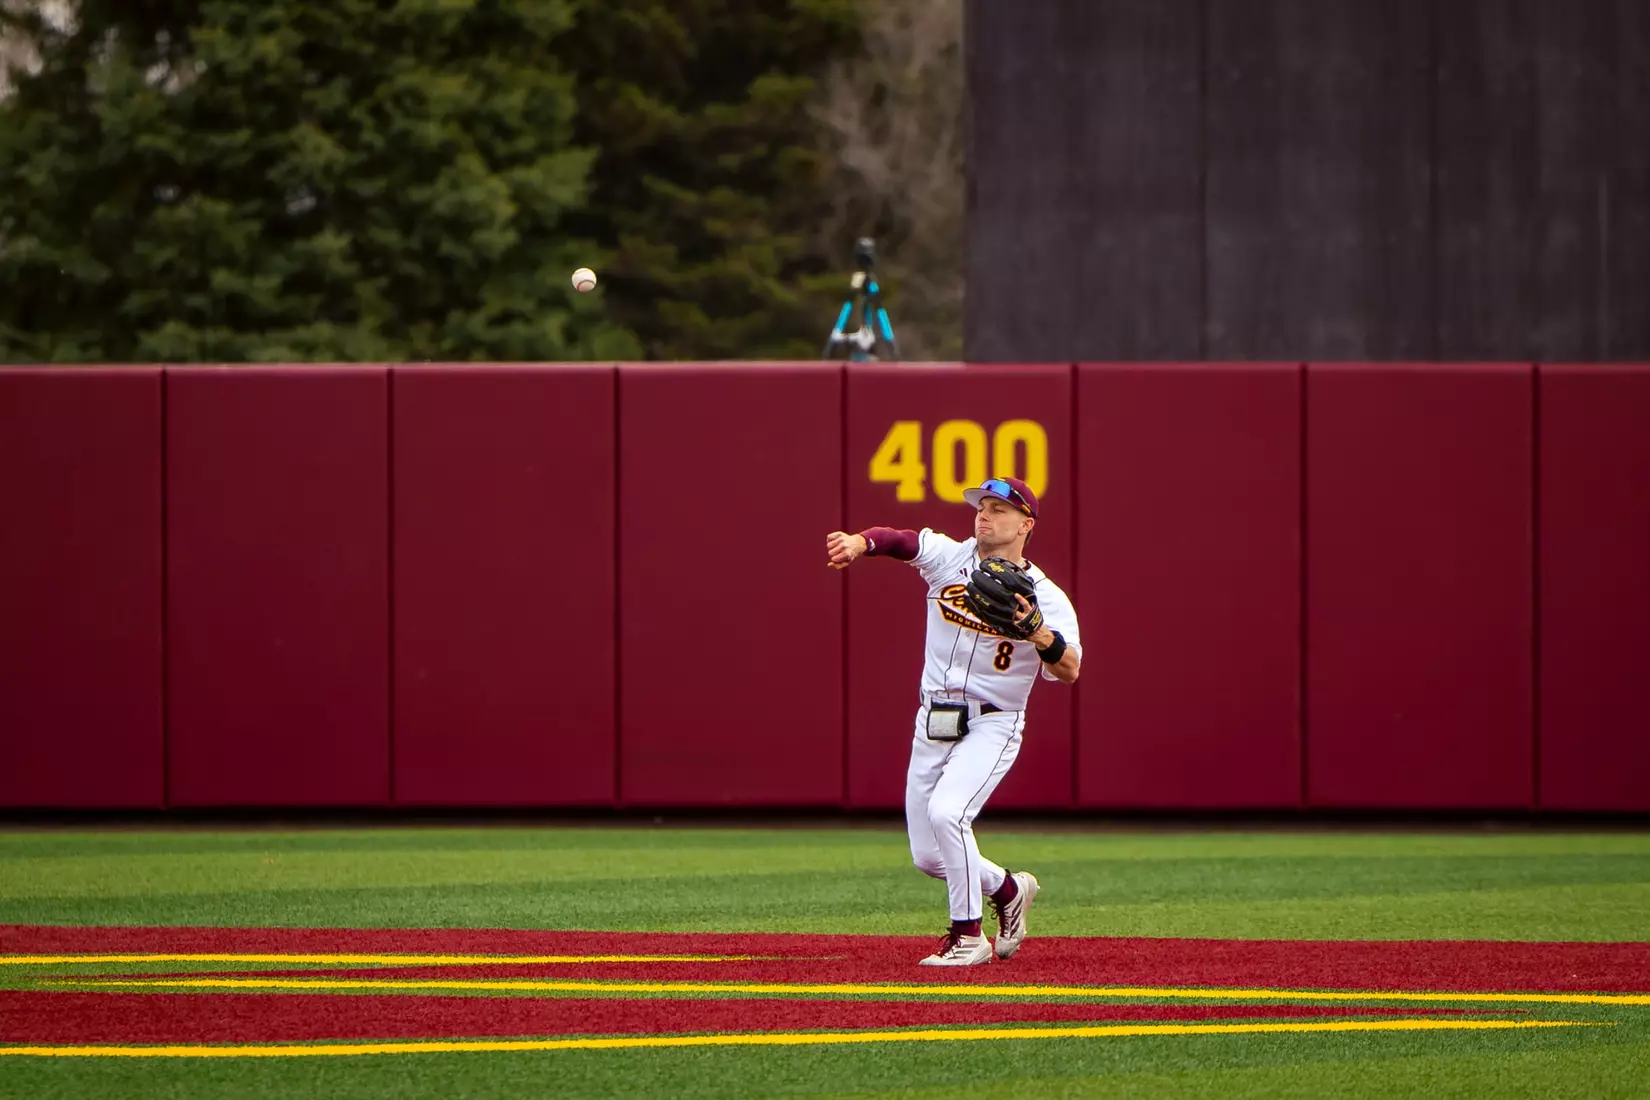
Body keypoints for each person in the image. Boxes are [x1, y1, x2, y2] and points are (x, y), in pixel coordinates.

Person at [825, 476, 1081, 966]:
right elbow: (903, 541)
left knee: (948, 814)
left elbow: (1069, 669)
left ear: (1026, 524)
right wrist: (860, 543)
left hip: (994, 722)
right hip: (934, 719)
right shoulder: (951, 557)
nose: (984, 515)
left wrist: (1037, 632)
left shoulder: (1046, 597)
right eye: (981, 507)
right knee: (929, 856)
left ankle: (968, 937)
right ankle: (1007, 889)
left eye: (999, 510)